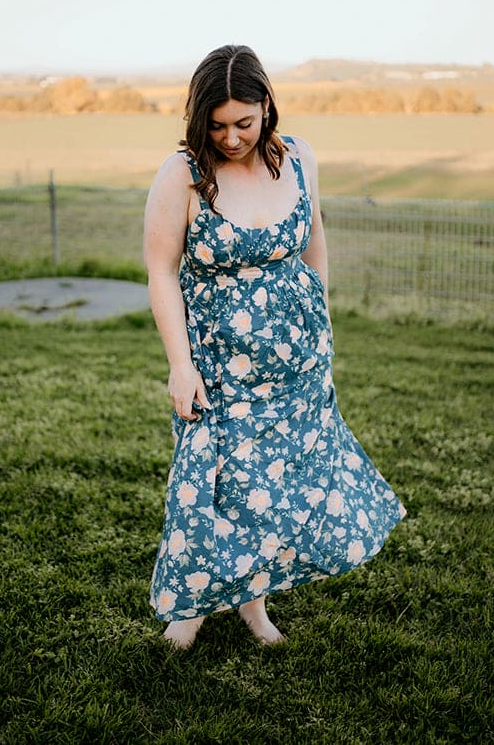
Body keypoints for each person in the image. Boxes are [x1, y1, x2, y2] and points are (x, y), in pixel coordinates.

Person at [143, 44, 406, 649]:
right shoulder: (182, 173)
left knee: (278, 483)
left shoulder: (299, 159)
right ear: (198, 117)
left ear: (267, 107)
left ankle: (252, 608)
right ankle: (193, 611)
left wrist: (325, 324)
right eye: (216, 124)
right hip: (220, 362)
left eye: (243, 122)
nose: (230, 137)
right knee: (223, 481)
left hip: (297, 360)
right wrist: (180, 367)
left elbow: (314, 240)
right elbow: (161, 271)